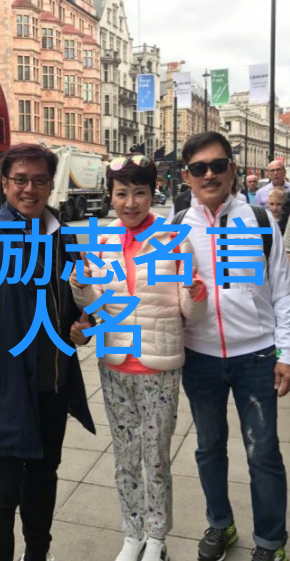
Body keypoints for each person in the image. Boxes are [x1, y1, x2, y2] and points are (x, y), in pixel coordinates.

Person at [0, 143, 95, 561]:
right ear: (5, 185)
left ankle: (37, 554)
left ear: (50, 185)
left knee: (43, 480)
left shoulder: (66, 239)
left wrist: (85, 326)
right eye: (20, 180)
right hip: (1, 392)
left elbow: (78, 307)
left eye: (39, 180)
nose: (30, 189)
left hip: (52, 387)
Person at [69, 155, 206, 561]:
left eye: (140, 193)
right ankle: (133, 534)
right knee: (125, 456)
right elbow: (95, 304)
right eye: (122, 194)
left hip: (158, 367)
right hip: (114, 366)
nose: (130, 203)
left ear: (152, 193)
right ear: (111, 196)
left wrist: (195, 295)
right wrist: (81, 287)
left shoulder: (174, 239)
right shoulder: (103, 241)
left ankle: (157, 537)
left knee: (156, 457)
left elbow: (189, 310)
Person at [175, 131, 290, 561]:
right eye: (199, 168)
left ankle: (271, 542)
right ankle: (220, 524)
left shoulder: (259, 221)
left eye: (218, 165)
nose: (209, 174)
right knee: (208, 448)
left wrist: (286, 354)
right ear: (186, 176)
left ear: (233, 169)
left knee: (263, 452)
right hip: (199, 358)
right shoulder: (176, 227)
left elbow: (282, 290)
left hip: (256, 357)